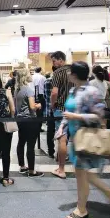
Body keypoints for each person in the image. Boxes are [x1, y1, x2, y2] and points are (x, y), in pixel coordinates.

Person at [57, 61, 110, 218]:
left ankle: (81, 209)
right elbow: (68, 112)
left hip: (85, 139)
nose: (68, 74)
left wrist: (75, 117)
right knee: (85, 174)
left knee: (81, 176)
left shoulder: (91, 91)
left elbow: (98, 115)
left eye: (70, 72)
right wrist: (62, 128)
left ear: (75, 74)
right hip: (74, 137)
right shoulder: (73, 90)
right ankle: (109, 192)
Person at [50, 51, 74, 179]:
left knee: (62, 139)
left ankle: (61, 169)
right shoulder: (75, 71)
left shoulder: (58, 73)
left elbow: (54, 92)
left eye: (54, 61)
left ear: (60, 60)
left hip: (61, 109)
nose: (53, 64)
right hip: (75, 109)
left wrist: (52, 104)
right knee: (75, 138)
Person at [15, 68, 43, 177]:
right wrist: (39, 105)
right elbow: (32, 107)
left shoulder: (17, 89)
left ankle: (22, 166)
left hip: (20, 120)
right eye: (29, 73)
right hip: (30, 120)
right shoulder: (29, 90)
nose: (31, 74)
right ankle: (31, 171)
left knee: (21, 142)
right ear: (25, 76)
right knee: (31, 145)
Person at [44, 66, 57, 158]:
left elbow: (45, 96)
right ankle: (61, 153)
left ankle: (51, 151)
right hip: (61, 110)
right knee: (63, 132)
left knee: (50, 131)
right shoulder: (62, 81)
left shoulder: (47, 81)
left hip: (49, 110)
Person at [32, 67, 46, 132]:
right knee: (40, 112)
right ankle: (39, 127)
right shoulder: (43, 77)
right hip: (40, 95)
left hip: (32, 95)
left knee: (33, 111)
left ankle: (33, 126)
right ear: (40, 70)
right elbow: (45, 87)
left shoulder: (32, 77)